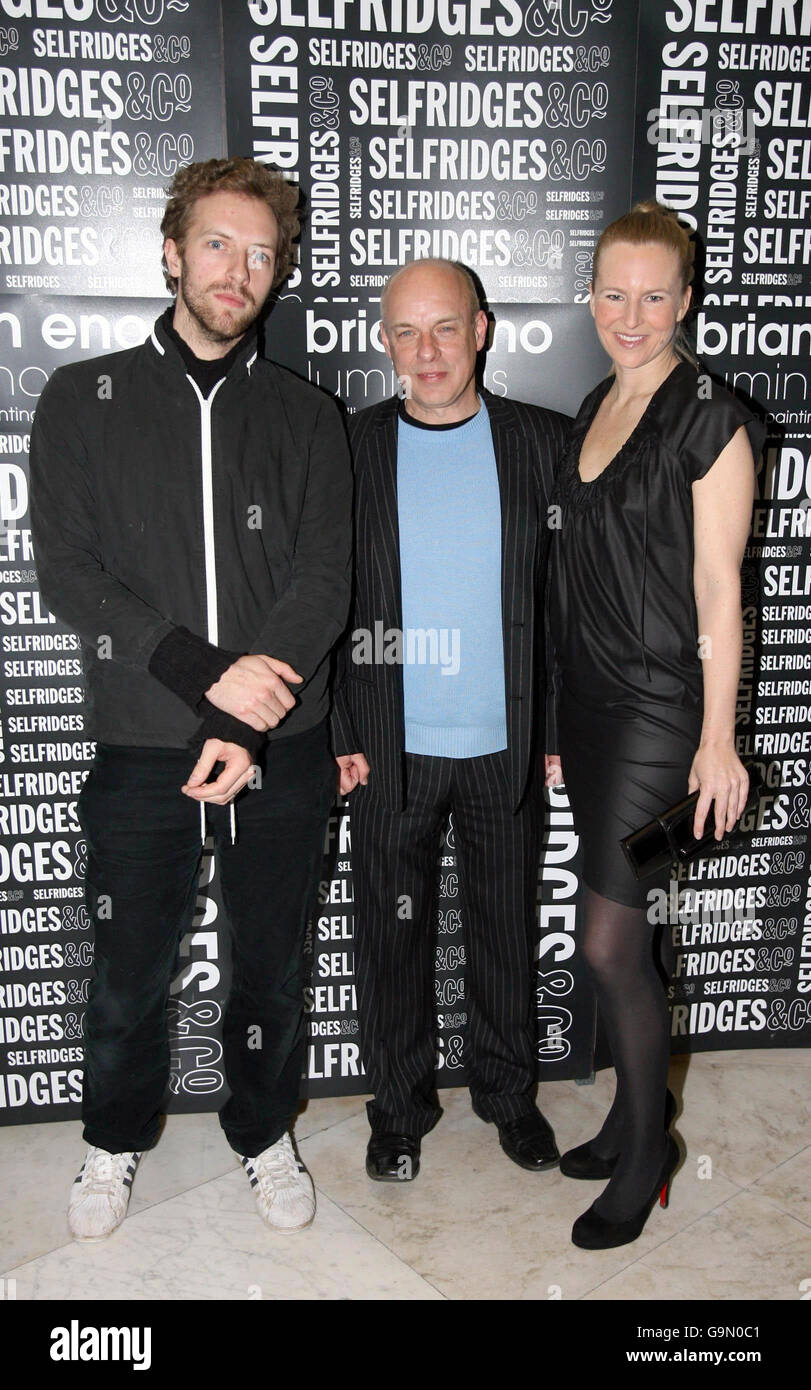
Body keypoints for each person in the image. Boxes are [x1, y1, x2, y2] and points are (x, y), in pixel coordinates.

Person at [29, 157, 352, 1240]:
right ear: (171, 252)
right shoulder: (84, 398)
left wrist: (244, 719)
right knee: (127, 970)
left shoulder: (308, 416)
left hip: (285, 749)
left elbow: (322, 583)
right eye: (218, 244)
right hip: (141, 743)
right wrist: (203, 680)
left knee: (271, 965)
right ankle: (111, 1140)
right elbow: (68, 573)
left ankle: (262, 1132)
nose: (240, 269)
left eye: (262, 252)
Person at [546, 201, 765, 1249]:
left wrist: (716, 738)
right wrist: (555, 716)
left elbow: (721, 590)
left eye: (653, 296)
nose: (631, 315)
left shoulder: (709, 415)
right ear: (593, 295)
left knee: (608, 939)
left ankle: (647, 1153)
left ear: (685, 300)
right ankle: (635, 1114)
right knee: (624, 938)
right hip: (588, 714)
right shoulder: (595, 402)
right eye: (613, 293)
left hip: (662, 716)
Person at [332, 257, 570, 1182]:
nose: (425, 352)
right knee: (389, 940)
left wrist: (556, 722)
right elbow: (321, 600)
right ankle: (397, 1111)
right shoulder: (347, 448)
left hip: (503, 746)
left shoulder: (542, 443)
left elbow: (567, 602)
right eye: (404, 332)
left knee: (506, 932)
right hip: (388, 747)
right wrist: (336, 729)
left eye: (443, 328)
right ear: (384, 341)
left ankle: (508, 1099)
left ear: (481, 328)